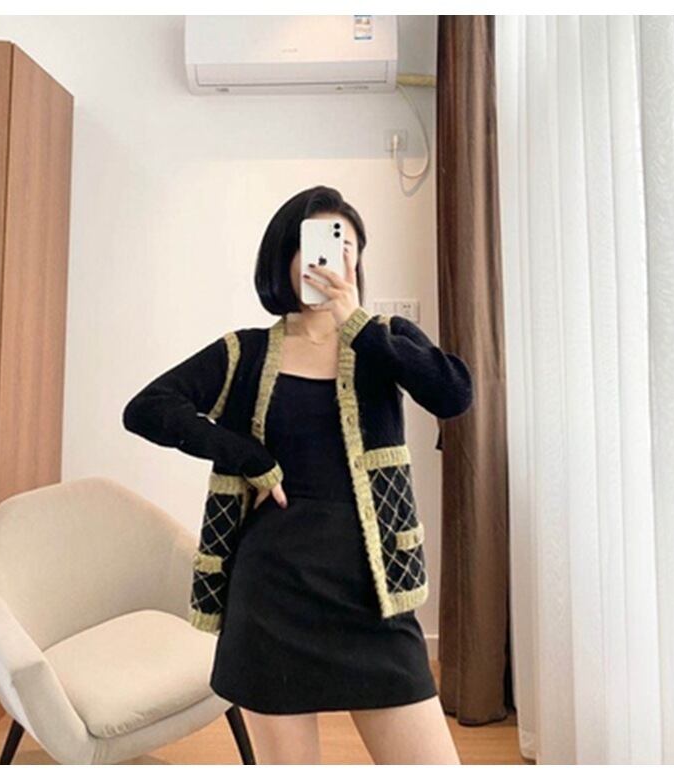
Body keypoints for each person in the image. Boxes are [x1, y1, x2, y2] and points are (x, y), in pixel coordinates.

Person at [124, 185, 469, 764]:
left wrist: (355, 322)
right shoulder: (245, 352)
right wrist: (249, 457)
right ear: (284, 258)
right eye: (317, 246)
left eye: (346, 247)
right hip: (273, 599)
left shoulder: (383, 340)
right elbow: (147, 408)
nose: (333, 259)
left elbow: (453, 395)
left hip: (374, 599)